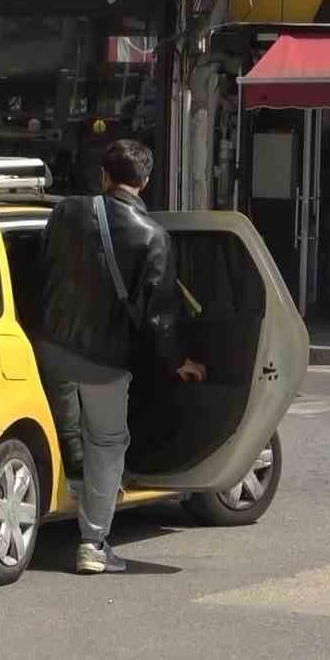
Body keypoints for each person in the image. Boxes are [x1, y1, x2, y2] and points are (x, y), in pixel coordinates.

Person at [34, 139, 206, 575]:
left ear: (104, 177)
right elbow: (160, 316)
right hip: (102, 360)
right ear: (144, 182)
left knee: (57, 427)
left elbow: (41, 266)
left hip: (48, 348)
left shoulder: (66, 212)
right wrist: (178, 362)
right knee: (107, 444)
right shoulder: (154, 237)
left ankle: (67, 487)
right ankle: (93, 543)